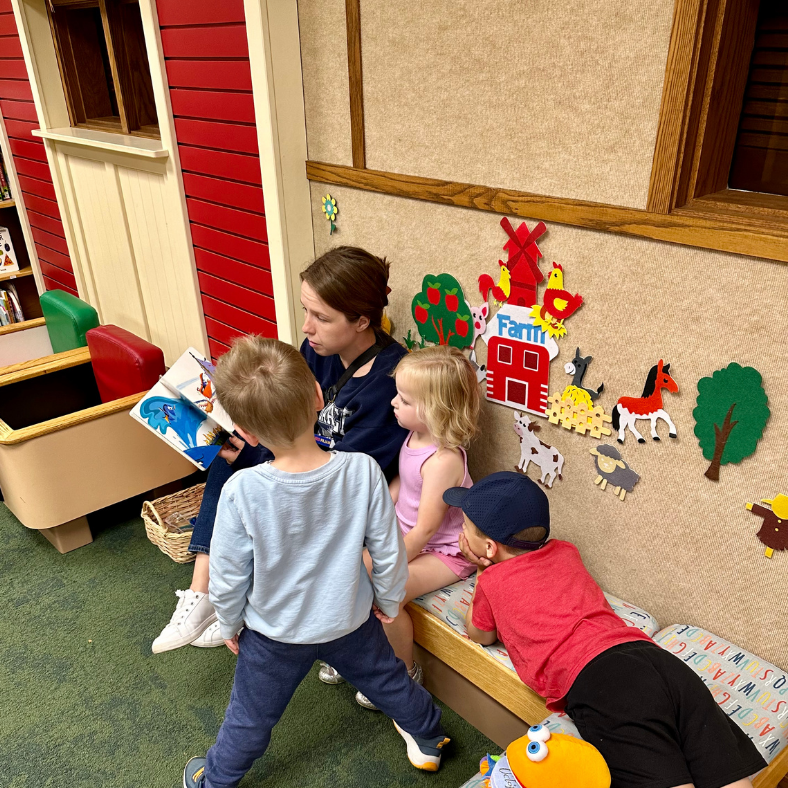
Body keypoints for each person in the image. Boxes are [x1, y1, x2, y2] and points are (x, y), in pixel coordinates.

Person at [182, 337, 450, 788]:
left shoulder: (242, 490)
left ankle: (216, 779)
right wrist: (386, 598)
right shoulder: (363, 470)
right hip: (351, 619)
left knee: (249, 715)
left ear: (246, 430)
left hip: (273, 635)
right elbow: (386, 550)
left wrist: (228, 623)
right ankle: (429, 738)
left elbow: (228, 576)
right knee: (390, 682)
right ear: (318, 397)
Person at [153, 247, 408, 654]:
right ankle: (202, 593)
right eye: (306, 311)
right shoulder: (318, 350)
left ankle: (231, 601)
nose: (306, 327)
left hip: (331, 487)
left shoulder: (390, 382)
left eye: (321, 318)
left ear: (362, 320)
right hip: (297, 455)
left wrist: (273, 448)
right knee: (226, 451)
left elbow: (349, 471)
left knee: (245, 480)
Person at [447, 471, 767, 788]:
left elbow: (480, 634)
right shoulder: (565, 551)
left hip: (604, 683)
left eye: (464, 528)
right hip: (658, 662)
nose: (460, 532)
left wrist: (480, 570)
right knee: (731, 779)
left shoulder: (492, 580)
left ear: (489, 549)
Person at [321, 346, 480, 711]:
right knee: (346, 569)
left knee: (386, 592)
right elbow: (401, 487)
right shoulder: (414, 436)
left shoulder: (444, 460)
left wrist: (386, 561)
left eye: (404, 399)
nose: (393, 402)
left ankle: (403, 674)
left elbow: (425, 530)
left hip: (444, 551)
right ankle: (357, 654)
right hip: (407, 536)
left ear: (435, 410)